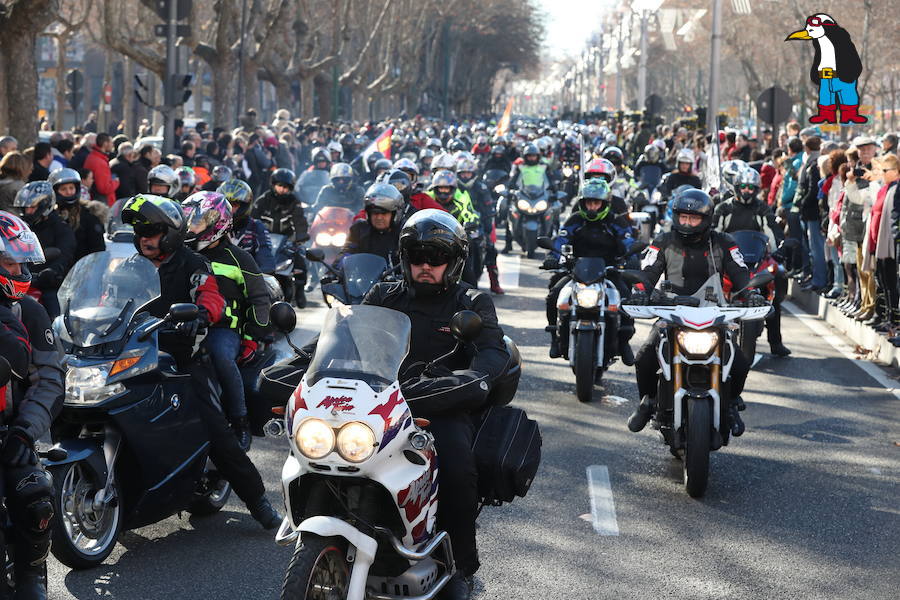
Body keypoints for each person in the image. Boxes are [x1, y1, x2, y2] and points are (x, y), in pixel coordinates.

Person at [295, 209, 507, 600]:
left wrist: (472, 379)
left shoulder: (472, 302)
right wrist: (299, 363)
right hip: (379, 401)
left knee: (458, 468)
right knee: (324, 447)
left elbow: (492, 355)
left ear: (454, 261)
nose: (425, 266)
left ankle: (461, 565)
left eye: (435, 258)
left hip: (438, 404)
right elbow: (346, 333)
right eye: (416, 257)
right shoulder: (384, 294)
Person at [120, 194, 281, 528]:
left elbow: (211, 296)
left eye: (151, 230)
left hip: (184, 357)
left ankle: (258, 501)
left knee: (216, 432)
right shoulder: (128, 265)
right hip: (136, 354)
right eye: (139, 231)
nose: (143, 238)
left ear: (170, 233)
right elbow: (109, 298)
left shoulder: (193, 263)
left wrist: (203, 314)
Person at [626, 189, 762, 436]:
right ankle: (648, 401)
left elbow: (741, 273)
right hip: (671, 312)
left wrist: (750, 293)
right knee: (645, 356)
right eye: (683, 217)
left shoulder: (724, 242)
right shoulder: (663, 241)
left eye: (694, 218)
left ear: (707, 218)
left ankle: (730, 403)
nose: (687, 223)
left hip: (713, 313)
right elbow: (648, 271)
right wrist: (639, 290)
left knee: (740, 362)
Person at [0, 211, 65, 600]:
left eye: (21, 262)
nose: (20, 270)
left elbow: (52, 381)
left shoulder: (29, 311)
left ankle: (31, 575)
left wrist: (25, 432)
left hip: (10, 430)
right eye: (10, 263)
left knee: (34, 496)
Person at [182, 192, 271, 450]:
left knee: (221, 357)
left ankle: (239, 419)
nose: (191, 227)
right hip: (186, 325)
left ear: (217, 223)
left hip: (224, 330)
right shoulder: (182, 253)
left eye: (197, 222)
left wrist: (253, 338)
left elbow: (259, 300)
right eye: (189, 221)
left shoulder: (240, 258)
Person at [542, 180, 635, 361]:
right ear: (582, 203)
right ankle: (555, 337)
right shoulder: (575, 220)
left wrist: (632, 258)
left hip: (609, 271)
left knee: (626, 296)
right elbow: (560, 241)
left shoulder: (616, 221)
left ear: (605, 203)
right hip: (576, 271)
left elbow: (628, 243)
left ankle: (624, 342)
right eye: (588, 203)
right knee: (554, 294)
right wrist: (552, 256)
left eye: (596, 203)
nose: (592, 207)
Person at [712, 167, 789, 356]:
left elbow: (772, 230)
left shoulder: (761, 208)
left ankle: (775, 341)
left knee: (778, 275)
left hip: (756, 259)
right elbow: (713, 232)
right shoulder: (724, 208)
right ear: (737, 187)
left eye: (751, 187)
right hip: (728, 260)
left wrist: (780, 247)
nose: (747, 190)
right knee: (708, 285)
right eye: (744, 186)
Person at [12, 182, 76, 319]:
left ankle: (55, 334)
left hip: (50, 283)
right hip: (21, 281)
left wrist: (52, 271)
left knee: (53, 309)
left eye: (32, 207)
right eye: (25, 208)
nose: (27, 212)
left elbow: (64, 255)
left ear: (45, 205)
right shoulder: (22, 228)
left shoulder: (61, 229)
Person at [253, 169, 310, 307]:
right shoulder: (263, 200)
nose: (283, 189)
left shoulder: (294, 202)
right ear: (273, 185)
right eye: (280, 186)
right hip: (264, 241)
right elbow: (253, 219)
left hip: (287, 241)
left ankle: (300, 290)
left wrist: (301, 236)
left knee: (301, 257)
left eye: (286, 187)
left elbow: (300, 220)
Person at [457, 155, 503, 294]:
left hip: (478, 225)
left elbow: (488, 209)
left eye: (468, 173)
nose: (465, 176)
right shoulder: (454, 187)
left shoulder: (481, 187)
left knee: (490, 249)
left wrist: (488, 227)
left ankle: (494, 283)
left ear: (473, 174)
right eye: (463, 173)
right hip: (457, 224)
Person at [338, 183, 405, 264]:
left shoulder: (404, 233)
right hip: (363, 275)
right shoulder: (359, 229)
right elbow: (347, 252)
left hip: (398, 275)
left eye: (384, 213)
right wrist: (333, 272)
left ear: (395, 214)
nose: (379, 217)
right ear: (368, 214)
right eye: (375, 213)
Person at [219, 179, 275, 274]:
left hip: (246, 280)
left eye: (234, 204)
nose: (229, 208)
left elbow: (265, 256)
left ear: (244, 205)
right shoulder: (211, 225)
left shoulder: (256, 227)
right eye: (226, 203)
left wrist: (262, 274)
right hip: (213, 279)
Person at [49, 168, 105, 260]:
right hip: (57, 269)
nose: (68, 192)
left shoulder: (89, 215)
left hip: (81, 270)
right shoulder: (50, 215)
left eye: (71, 188)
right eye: (63, 189)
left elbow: (98, 250)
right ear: (54, 191)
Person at [83, 133, 119, 206]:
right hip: (103, 203)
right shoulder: (99, 162)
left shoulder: (93, 156)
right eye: (111, 142)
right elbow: (104, 188)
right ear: (105, 143)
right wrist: (116, 181)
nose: (112, 145)